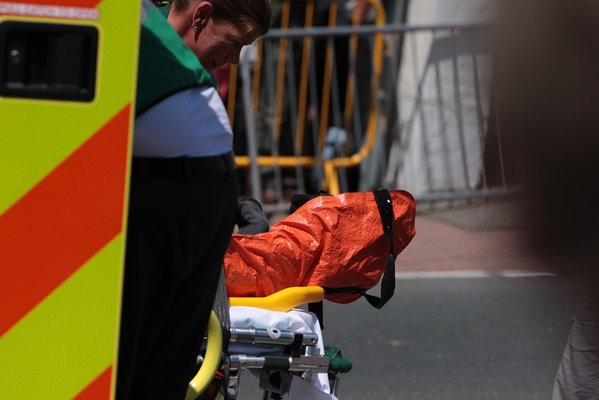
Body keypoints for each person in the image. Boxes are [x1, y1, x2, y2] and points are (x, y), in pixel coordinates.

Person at [117, 0, 271, 398]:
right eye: (234, 43)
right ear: (200, 16)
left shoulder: (148, 36)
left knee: (134, 364)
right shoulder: (144, 34)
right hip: (187, 200)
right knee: (150, 369)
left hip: (180, 201)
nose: (234, 60)